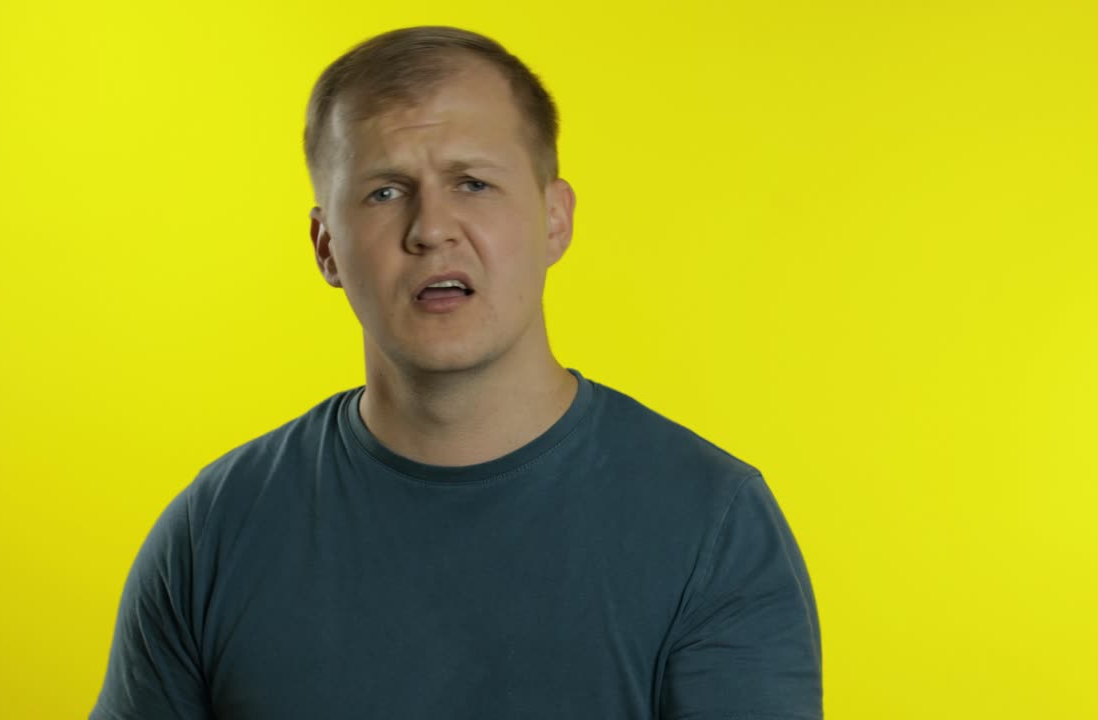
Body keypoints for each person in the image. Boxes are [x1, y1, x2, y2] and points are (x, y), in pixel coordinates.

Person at [90, 25, 822, 720]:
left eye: (472, 183)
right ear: (326, 248)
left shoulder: (712, 526)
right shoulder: (213, 533)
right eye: (384, 191)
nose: (431, 227)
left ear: (555, 218)